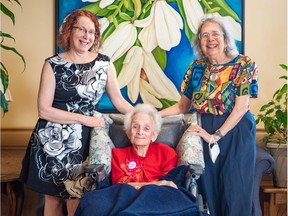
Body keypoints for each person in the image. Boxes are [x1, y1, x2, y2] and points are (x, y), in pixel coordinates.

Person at [19, 9, 133, 216]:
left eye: (92, 32)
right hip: (51, 141)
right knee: (53, 200)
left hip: (85, 141)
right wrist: (85, 119)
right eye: (82, 29)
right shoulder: (52, 64)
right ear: (69, 31)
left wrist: (145, 115)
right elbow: (44, 110)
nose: (87, 36)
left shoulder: (104, 64)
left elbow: (118, 101)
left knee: (77, 200)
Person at [160, 14, 259, 216]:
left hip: (236, 130)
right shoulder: (196, 68)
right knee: (209, 192)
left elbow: (241, 108)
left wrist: (216, 136)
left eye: (215, 34)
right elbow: (182, 106)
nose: (210, 39)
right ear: (200, 43)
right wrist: (153, 116)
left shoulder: (243, 64)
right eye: (204, 35)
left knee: (236, 189)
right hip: (203, 129)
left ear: (226, 39)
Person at [75, 103, 209, 216]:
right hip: (126, 199)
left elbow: (169, 187)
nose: (140, 131)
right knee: (91, 202)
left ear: (154, 135)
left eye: (146, 128)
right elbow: (119, 187)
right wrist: (156, 184)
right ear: (128, 133)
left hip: (157, 201)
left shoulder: (167, 153)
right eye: (135, 126)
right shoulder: (117, 154)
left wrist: (150, 186)